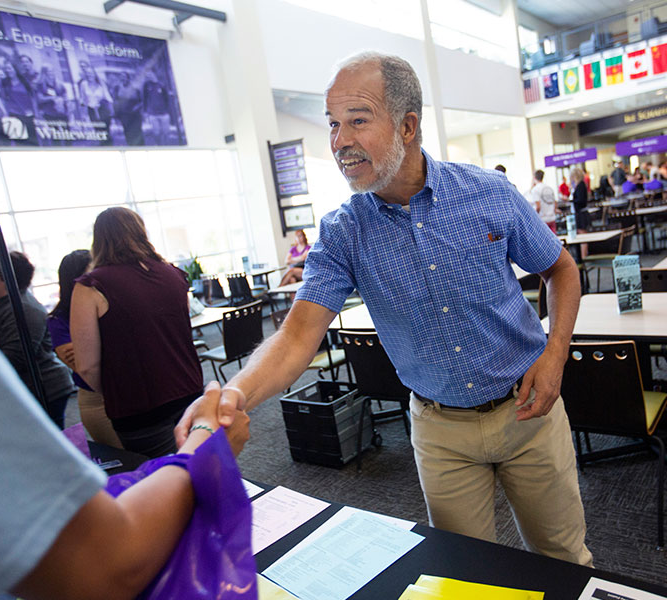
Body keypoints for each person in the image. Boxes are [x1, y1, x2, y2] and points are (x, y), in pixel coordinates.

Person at [183, 52, 592, 566]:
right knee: (468, 575)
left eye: (357, 120)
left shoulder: (488, 194)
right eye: (333, 124)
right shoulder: (342, 232)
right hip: (441, 431)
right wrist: (235, 393)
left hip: (529, 410)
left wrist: (555, 354)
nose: (339, 142)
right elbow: (296, 336)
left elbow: (563, 269)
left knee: (563, 561)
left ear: (408, 125)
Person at [0, 281, 250, 600]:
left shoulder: (87, 292)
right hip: (174, 400)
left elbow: (85, 365)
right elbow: (100, 565)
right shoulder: (162, 277)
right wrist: (205, 442)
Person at [71, 207, 203, 457]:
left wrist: (115, 390)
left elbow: (87, 366)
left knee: (163, 484)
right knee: (199, 470)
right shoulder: (173, 274)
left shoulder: (92, 285)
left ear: (99, 239)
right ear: (141, 232)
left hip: (140, 405)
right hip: (190, 390)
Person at [0, 251, 74, 428]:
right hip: (28, 389)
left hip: (43, 389)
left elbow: (15, 357)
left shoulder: (23, 308)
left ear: (5, 278)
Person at [48, 250, 122, 448]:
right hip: (97, 399)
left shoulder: (108, 303)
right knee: (130, 462)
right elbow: (81, 362)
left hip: (128, 392)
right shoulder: (59, 320)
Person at [111, 72, 144, 145]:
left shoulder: (135, 89)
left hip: (135, 115)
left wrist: (137, 107)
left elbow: (141, 102)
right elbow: (115, 102)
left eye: (125, 77)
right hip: (124, 115)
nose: (123, 78)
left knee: (137, 132)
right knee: (128, 133)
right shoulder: (117, 89)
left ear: (128, 78)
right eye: (121, 77)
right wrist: (116, 116)